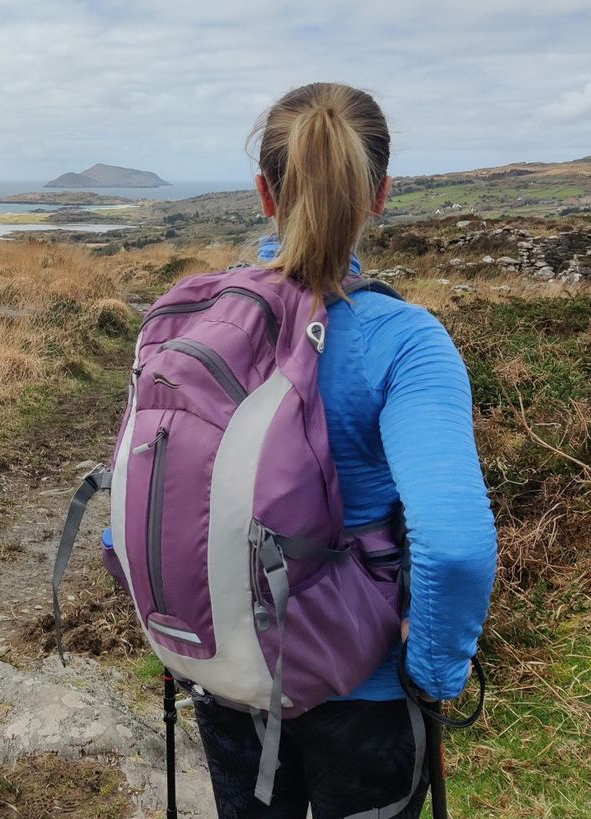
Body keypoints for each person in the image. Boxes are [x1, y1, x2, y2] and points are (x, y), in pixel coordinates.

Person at [188, 83, 498, 817]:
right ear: (379, 192)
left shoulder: (197, 323)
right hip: (368, 689)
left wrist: (182, 633)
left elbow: (148, 503)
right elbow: (454, 548)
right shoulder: (406, 342)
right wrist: (430, 673)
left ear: (265, 192)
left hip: (228, 670)